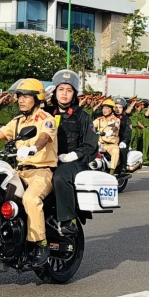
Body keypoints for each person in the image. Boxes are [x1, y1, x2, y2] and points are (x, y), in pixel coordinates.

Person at [0, 78, 57, 267]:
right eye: (19, 96)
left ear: (37, 99)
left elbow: (44, 137)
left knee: (30, 199)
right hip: (19, 171)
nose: (21, 100)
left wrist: (34, 148)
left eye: (26, 96)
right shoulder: (17, 121)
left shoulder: (47, 119)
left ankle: (40, 244)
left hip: (41, 172)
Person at [47, 69, 98, 237]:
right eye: (61, 89)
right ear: (55, 92)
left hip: (74, 163)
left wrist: (73, 156)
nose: (64, 94)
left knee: (60, 177)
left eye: (69, 91)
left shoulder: (82, 117)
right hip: (48, 160)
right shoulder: (46, 114)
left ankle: (68, 220)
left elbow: (91, 146)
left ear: (74, 94)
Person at [93, 98, 121, 171]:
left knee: (115, 152)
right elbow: (91, 125)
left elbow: (115, 126)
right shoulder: (99, 119)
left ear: (112, 110)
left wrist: (110, 132)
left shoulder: (115, 120)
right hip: (101, 144)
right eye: (103, 108)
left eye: (107, 108)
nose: (104, 110)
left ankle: (112, 171)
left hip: (111, 145)